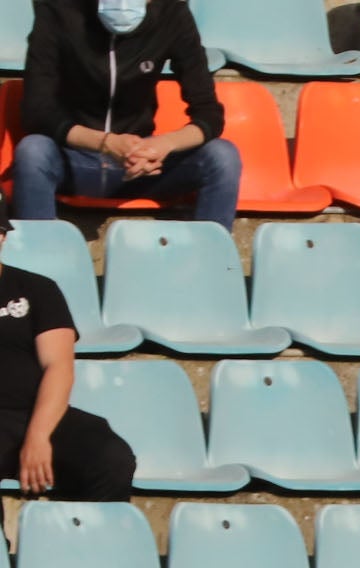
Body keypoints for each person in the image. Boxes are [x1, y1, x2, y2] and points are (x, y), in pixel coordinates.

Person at [16, 0, 241, 230]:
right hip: (75, 161)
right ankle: (37, 259)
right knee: (33, 151)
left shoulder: (173, 13)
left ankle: (209, 260)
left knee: (222, 156)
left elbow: (209, 113)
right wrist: (106, 143)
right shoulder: (56, 10)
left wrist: (162, 146)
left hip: (145, 165)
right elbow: (36, 111)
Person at [0, 193, 136, 510]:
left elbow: (59, 367)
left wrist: (38, 436)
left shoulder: (37, 289)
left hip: (35, 416)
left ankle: (87, 551)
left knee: (110, 457)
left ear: (3, 236)